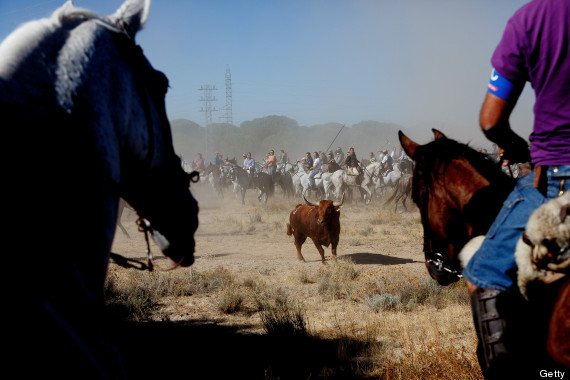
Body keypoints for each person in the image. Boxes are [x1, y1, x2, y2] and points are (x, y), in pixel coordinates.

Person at [461, 1, 570, 377]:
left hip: (557, 177)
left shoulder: (531, 18)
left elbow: (490, 121)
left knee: (482, 274)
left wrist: (520, 148)